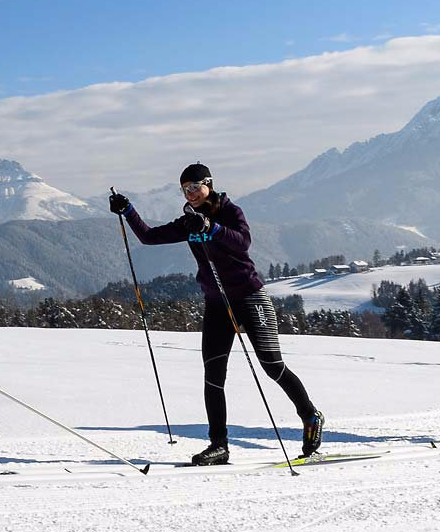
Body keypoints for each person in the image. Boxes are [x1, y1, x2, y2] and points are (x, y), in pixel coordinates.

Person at [109, 164, 325, 464]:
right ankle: (219, 444)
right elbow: (148, 237)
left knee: (272, 366)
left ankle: (310, 415)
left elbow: (243, 241)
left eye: (195, 187)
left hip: (250, 297)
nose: (191, 193)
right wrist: (128, 210)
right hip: (216, 303)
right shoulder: (188, 222)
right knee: (213, 374)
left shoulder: (229, 211)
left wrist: (211, 228)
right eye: (185, 189)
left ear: (209, 184)